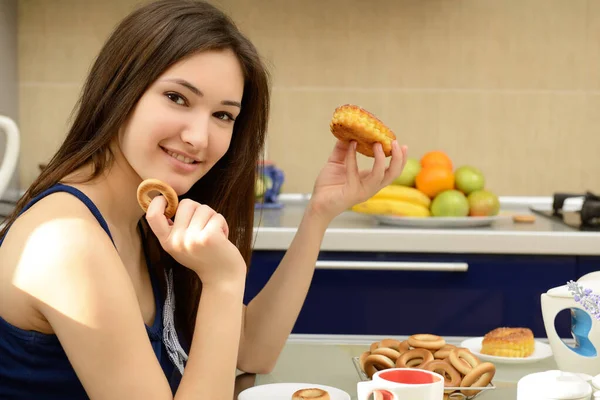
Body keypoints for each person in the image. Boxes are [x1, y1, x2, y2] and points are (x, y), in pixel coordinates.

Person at [0, 0, 407, 399]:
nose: (199, 138)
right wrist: (222, 281)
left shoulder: (142, 215)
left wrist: (319, 213)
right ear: (119, 90)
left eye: (223, 115)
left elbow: (251, 349)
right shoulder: (69, 241)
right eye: (177, 98)